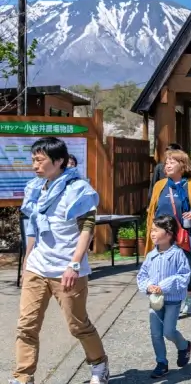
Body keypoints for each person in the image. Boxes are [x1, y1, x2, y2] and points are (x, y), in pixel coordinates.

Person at [13, 137, 110, 384]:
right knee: (27, 325)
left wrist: (74, 264)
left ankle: (99, 364)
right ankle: (23, 377)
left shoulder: (78, 190)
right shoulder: (36, 188)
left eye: (40, 159)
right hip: (37, 266)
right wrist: (27, 261)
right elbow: (33, 227)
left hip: (67, 269)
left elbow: (87, 228)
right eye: (33, 159)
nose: (35, 165)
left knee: (77, 325)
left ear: (59, 161)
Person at [145, 149, 191, 318]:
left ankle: (189, 298)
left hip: (185, 235)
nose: (167, 165)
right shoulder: (160, 185)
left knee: (186, 269)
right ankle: (167, 301)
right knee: (163, 270)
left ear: (182, 166)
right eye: (166, 162)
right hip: (163, 236)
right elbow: (153, 209)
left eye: (172, 162)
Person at [137, 215, 191, 378]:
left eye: (155, 230)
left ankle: (184, 346)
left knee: (168, 332)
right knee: (155, 333)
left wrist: (163, 286)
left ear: (168, 233)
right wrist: (149, 286)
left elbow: (184, 276)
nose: (152, 234)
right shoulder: (150, 255)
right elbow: (142, 275)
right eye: (151, 230)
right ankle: (161, 362)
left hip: (172, 301)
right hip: (155, 302)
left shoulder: (177, 254)